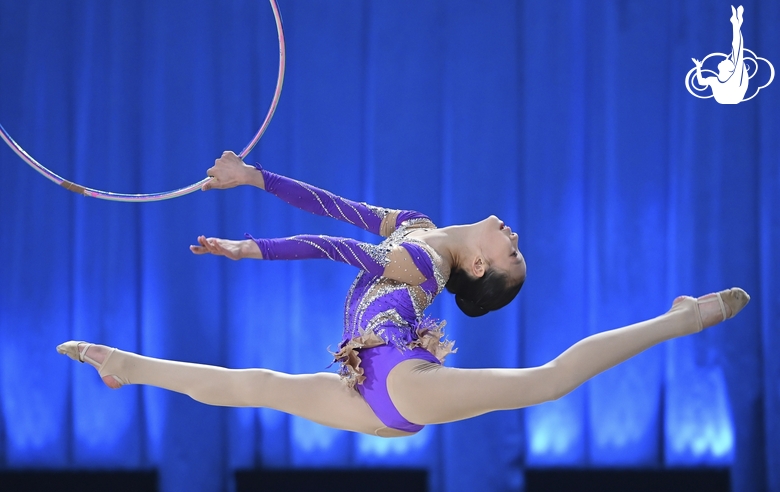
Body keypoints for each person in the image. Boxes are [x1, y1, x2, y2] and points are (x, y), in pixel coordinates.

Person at [58, 151, 750, 438]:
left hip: (400, 384)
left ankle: (679, 319)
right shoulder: (415, 229)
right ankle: (125, 365)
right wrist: (255, 178)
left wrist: (248, 248)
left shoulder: (427, 271)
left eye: (511, 251)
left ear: (477, 266)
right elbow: (339, 210)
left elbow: (340, 250)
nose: (512, 234)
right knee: (253, 384)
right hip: (365, 392)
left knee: (548, 381)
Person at [692, 5, 749, 104]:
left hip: (733, 96)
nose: (725, 59)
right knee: (737, 51)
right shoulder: (715, 80)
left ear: (729, 69)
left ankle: (736, 23)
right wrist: (698, 67)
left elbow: (738, 50)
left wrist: (736, 26)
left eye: (727, 61)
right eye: (728, 61)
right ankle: (736, 23)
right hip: (729, 97)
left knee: (737, 51)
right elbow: (701, 82)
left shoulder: (732, 78)